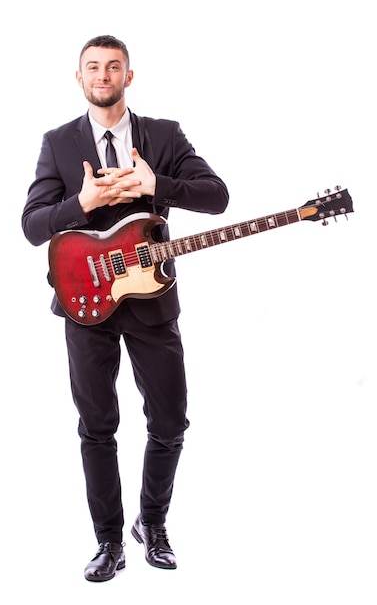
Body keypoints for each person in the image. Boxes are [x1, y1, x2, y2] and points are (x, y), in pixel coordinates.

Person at [21, 35, 229, 582]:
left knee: (169, 420)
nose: (103, 74)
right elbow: (31, 225)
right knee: (97, 426)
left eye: (113, 66)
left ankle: (151, 524)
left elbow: (217, 196)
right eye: (93, 66)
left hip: (153, 302)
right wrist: (81, 204)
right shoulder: (58, 143)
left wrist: (157, 183)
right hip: (84, 304)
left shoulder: (163, 135)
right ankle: (109, 542)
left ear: (128, 76)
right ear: (79, 77)